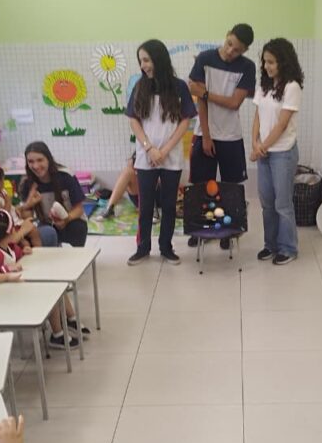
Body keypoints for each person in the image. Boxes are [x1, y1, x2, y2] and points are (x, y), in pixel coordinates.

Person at [126, 39, 196, 266]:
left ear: (159, 59)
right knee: (145, 205)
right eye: (140, 61)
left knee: (168, 205)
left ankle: (166, 247)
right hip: (146, 157)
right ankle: (143, 247)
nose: (143, 65)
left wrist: (164, 150)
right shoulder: (140, 87)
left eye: (146, 60)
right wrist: (149, 148)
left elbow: (185, 120)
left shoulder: (179, 87)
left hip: (171, 157)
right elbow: (133, 120)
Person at [187, 24, 256, 250]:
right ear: (226, 36)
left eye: (237, 50)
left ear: (244, 51)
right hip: (204, 133)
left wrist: (205, 93)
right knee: (201, 186)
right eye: (229, 44)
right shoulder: (204, 59)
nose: (230, 51)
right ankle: (202, 229)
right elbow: (200, 100)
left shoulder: (247, 67)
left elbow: (234, 103)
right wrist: (207, 136)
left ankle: (229, 231)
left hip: (231, 136)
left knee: (231, 188)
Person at [0, 210, 86, 349]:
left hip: (15, 287)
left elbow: (16, 257)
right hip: (3, 297)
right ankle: (57, 335)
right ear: (10, 232)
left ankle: (70, 318)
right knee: (50, 291)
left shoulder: (8, 246)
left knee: (56, 281)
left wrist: (24, 250)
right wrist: (6, 270)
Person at [251, 38, 304, 265]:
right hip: (264, 152)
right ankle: (270, 245)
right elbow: (257, 116)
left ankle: (288, 248)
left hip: (282, 153)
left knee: (283, 204)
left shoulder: (292, 87)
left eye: (271, 62)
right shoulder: (264, 86)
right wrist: (255, 142)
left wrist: (261, 147)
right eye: (265, 62)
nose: (267, 66)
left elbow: (282, 125)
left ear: (283, 62)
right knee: (267, 202)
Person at [17, 142, 88, 248]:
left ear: (48, 159)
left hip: (70, 220)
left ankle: (78, 254)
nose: (36, 166)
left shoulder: (66, 176)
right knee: (45, 233)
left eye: (40, 160)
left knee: (78, 227)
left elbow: (79, 209)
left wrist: (66, 219)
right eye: (31, 162)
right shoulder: (27, 183)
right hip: (46, 224)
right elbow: (27, 219)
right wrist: (28, 204)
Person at [103, 153, 140, 218]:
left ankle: (153, 210)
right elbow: (131, 163)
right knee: (127, 172)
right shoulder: (140, 152)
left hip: (153, 197)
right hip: (140, 197)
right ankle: (109, 208)